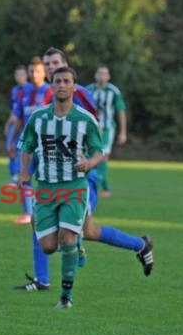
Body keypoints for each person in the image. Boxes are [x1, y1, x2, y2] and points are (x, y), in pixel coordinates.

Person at [15, 47, 154, 292]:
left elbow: (93, 128)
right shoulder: (50, 100)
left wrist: (86, 160)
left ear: (65, 64)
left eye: (55, 62)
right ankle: (44, 277)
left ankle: (131, 245)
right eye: (47, 64)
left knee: (79, 230)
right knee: (52, 224)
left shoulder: (77, 95)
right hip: (54, 180)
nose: (50, 67)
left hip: (81, 178)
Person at [17, 66, 103, 308]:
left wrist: (89, 163)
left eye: (67, 81)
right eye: (57, 81)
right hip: (45, 187)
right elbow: (26, 146)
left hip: (74, 186)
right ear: (51, 85)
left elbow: (99, 152)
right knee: (47, 247)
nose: (62, 85)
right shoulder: (38, 118)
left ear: (74, 86)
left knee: (66, 238)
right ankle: (78, 245)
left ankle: (66, 297)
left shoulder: (85, 120)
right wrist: (24, 172)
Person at [11, 57, 51, 225]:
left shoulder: (50, 91)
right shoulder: (23, 93)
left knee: (46, 179)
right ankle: (28, 213)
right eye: (32, 71)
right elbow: (19, 119)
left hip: (46, 144)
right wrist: (13, 141)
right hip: (27, 143)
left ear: (44, 73)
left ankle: (47, 212)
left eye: (38, 71)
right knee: (24, 177)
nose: (34, 74)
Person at [86, 64, 127, 197]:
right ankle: (106, 189)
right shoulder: (89, 90)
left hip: (108, 129)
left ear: (108, 76)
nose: (102, 76)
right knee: (92, 156)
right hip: (91, 129)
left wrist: (123, 132)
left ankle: (96, 188)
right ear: (95, 75)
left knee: (103, 156)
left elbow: (121, 111)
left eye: (104, 74)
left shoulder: (113, 91)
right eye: (100, 73)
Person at [4, 65, 29, 186]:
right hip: (14, 124)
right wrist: (9, 122)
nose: (19, 77)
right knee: (10, 148)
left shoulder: (30, 90)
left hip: (25, 125)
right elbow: (12, 109)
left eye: (22, 74)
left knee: (22, 150)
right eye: (17, 74)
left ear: (26, 75)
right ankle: (14, 177)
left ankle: (22, 176)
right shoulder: (14, 90)